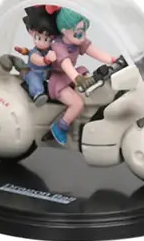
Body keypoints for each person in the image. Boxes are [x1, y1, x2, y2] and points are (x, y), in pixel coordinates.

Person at [48, 8, 116, 144]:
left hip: (72, 76)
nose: (83, 37)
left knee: (95, 86)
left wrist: (113, 59)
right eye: (79, 33)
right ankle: (60, 127)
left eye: (84, 32)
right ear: (64, 31)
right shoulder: (58, 47)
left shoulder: (77, 41)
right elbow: (66, 65)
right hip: (60, 81)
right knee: (77, 103)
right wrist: (78, 79)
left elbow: (94, 51)